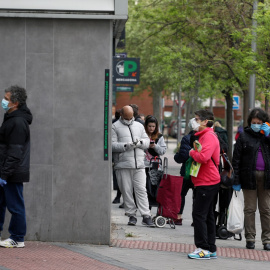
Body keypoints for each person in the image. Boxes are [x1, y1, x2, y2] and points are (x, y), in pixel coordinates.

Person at [232, 108, 270, 251]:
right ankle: (250, 238)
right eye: (254, 122)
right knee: (249, 209)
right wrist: (236, 181)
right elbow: (236, 161)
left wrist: (268, 135)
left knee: (266, 210)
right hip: (248, 178)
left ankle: (267, 239)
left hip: (266, 179)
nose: (256, 125)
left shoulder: (267, 136)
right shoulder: (243, 137)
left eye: (259, 123)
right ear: (250, 122)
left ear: (264, 123)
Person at [0, 86, 33, 248]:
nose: (4, 101)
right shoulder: (12, 118)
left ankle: (18, 238)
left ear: (16, 102)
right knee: (2, 203)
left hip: (12, 172)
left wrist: (5, 175)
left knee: (15, 205)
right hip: (6, 171)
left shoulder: (17, 122)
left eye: (7, 99)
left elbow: (15, 151)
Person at [112, 105, 155, 227]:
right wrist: (126, 146)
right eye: (127, 118)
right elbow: (112, 145)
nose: (129, 120)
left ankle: (146, 215)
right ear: (122, 115)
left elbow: (147, 141)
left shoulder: (139, 125)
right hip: (123, 164)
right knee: (126, 190)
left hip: (139, 163)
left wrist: (141, 143)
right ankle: (131, 215)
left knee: (141, 189)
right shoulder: (114, 127)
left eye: (131, 118)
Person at [187, 110, 220, 260]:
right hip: (205, 181)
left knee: (199, 215)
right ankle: (211, 248)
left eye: (196, 119)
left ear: (205, 121)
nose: (194, 122)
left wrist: (191, 153)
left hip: (207, 182)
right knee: (208, 216)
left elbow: (203, 157)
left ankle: (203, 248)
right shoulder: (204, 136)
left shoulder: (209, 136)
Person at [174, 118, 197, 225]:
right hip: (198, 172)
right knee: (196, 196)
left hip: (186, 172)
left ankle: (179, 217)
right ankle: (195, 219)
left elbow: (183, 156)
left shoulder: (186, 138)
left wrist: (176, 156)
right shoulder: (204, 138)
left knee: (181, 194)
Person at [144, 115, 166, 207]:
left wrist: (155, 146)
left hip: (154, 165)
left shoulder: (159, 137)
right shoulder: (142, 135)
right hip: (143, 164)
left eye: (153, 126)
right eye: (149, 126)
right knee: (144, 187)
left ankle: (152, 204)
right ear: (146, 126)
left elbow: (163, 151)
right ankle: (145, 206)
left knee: (152, 186)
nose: (151, 128)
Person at [112, 109, 122, 205]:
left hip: (117, 156)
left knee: (119, 178)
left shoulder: (113, 124)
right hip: (121, 155)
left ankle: (118, 197)